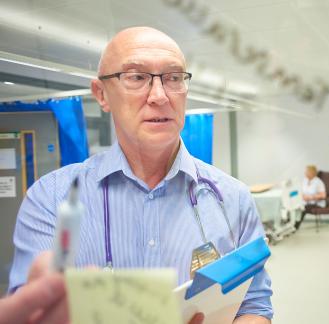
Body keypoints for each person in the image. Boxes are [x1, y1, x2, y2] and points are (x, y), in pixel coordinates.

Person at [8, 27, 272, 323]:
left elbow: (255, 306)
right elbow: (30, 312)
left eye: (173, 78)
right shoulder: (50, 199)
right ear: (102, 95)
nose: (159, 96)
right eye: (136, 77)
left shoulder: (233, 198)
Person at [294, 165, 326, 230]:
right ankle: (289, 225)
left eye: (306, 171)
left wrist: (310, 197)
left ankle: (295, 227)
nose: (305, 173)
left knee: (302, 208)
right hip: (305, 202)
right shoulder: (305, 180)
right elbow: (300, 191)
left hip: (316, 203)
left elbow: (323, 195)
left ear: (312, 172)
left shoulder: (318, 182)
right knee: (292, 206)